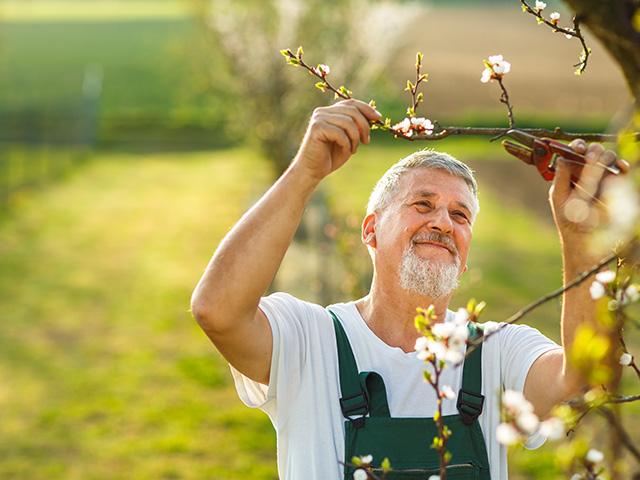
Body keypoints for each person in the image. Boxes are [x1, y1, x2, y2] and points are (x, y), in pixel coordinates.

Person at [190, 99, 629, 479]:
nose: (442, 222)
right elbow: (217, 309)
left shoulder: (495, 350)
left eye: (460, 216)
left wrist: (578, 236)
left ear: (466, 252)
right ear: (371, 231)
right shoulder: (309, 338)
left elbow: (582, 382)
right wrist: (305, 172)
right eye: (423, 204)